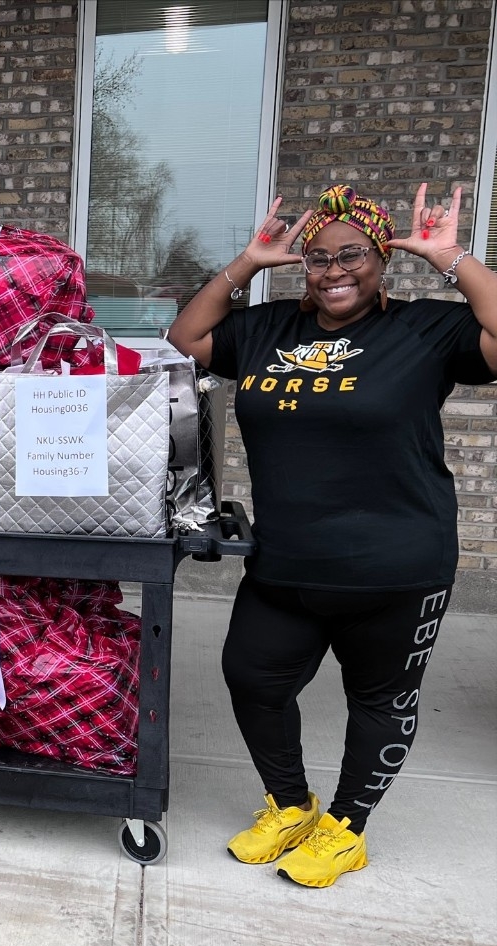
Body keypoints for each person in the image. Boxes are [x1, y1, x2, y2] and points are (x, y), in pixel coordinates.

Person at [166, 182, 497, 887]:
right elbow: (188, 338)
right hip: (287, 561)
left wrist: (452, 257)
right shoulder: (269, 328)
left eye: (353, 254)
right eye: (318, 257)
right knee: (252, 676)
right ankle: (291, 805)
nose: (334, 270)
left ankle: (347, 827)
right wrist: (249, 264)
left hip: (397, 566)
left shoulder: (423, 330)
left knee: (379, 700)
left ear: (381, 257)